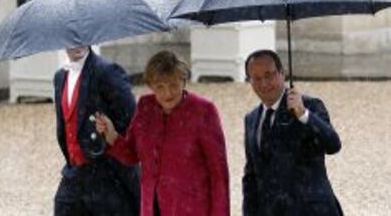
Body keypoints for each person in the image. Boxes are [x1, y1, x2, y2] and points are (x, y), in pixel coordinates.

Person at [95, 50, 230, 216]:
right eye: (160, 86)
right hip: (152, 208)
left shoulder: (203, 111)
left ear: (184, 82)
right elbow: (131, 155)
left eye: (173, 85)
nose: (168, 93)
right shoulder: (145, 107)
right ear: (151, 86)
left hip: (192, 209)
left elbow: (218, 174)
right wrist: (112, 135)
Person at [242, 49, 343, 216]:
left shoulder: (310, 106)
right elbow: (251, 176)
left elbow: (333, 144)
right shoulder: (251, 119)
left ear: (282, 73)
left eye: (269, 75)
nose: (264, 83)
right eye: (256, 78)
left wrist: (304, 115)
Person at [53, 46, 140, 216]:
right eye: (71, 37)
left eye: (80, 34)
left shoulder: (106, 72)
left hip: (105, 173)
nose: (77, 42)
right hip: (73, 173)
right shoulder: (59, 77)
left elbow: (132, 119)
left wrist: (111, 132)